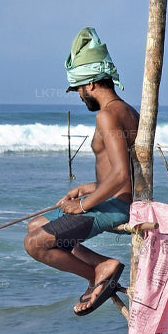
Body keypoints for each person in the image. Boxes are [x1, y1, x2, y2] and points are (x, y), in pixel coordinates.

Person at [23, 27, 139, 316]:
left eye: (78, 88)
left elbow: (121, 175)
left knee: (34, 244)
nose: (78, 95)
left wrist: (83, 205)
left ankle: (97, 272)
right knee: (34, 226)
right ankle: (100, 265)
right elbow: (120, 173)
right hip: (114, 198)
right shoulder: (127, 110)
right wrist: (86, 188)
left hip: (115, 207)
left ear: (91, 84)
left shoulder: (107, 115)